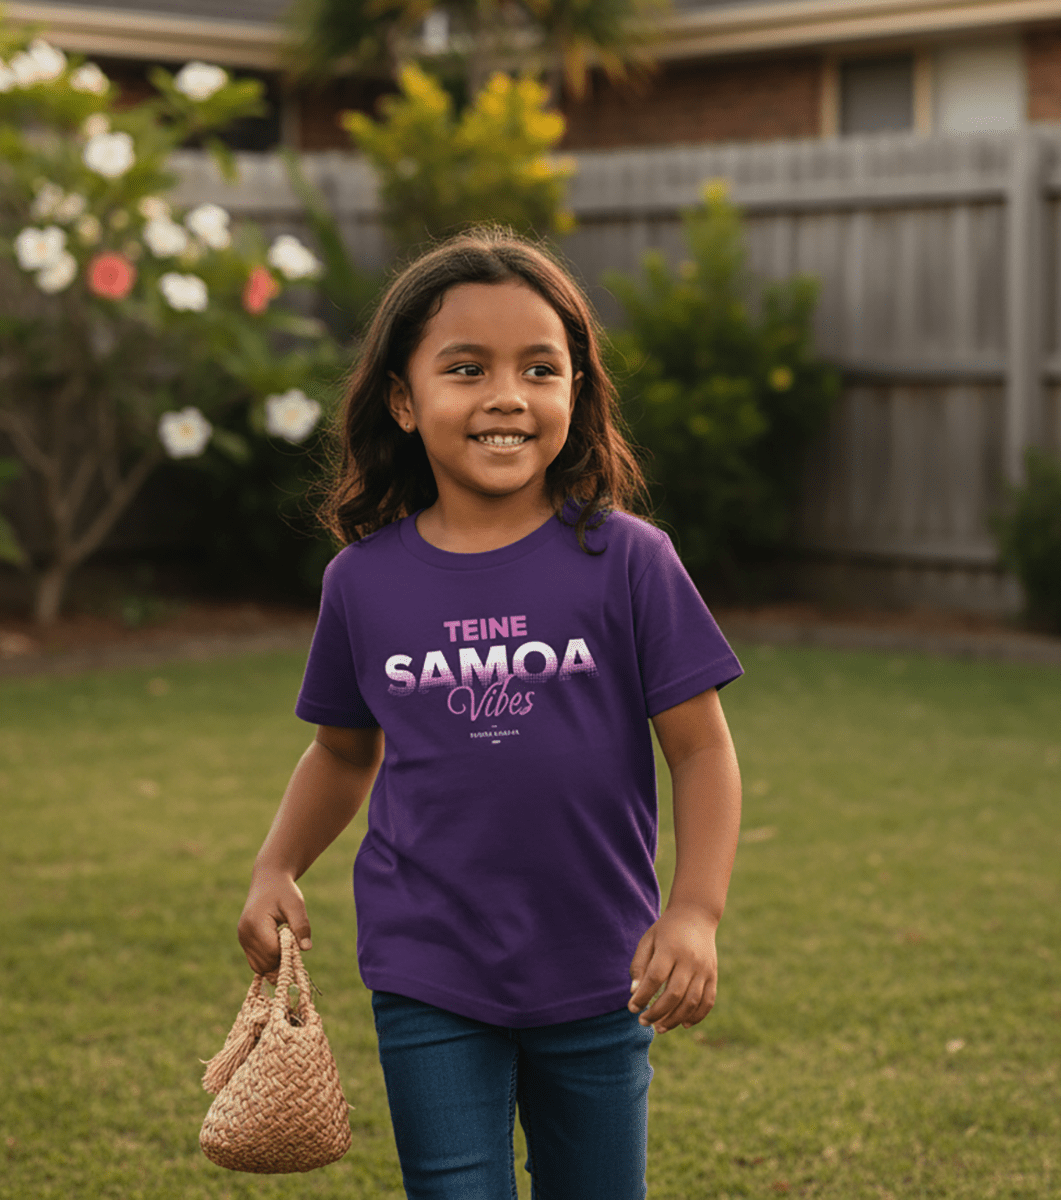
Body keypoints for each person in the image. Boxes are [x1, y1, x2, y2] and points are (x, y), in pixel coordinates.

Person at [237, 228, 743, 1199]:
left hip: (601, 963)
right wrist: (275, 866)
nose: (507, 395)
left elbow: (701, 751)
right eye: (466, 368)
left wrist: (694, 912)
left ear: (576, 391)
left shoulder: (631, 561)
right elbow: (342, 755)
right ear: (403, 397)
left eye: (540, 369)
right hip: (429, 965)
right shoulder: (363, 582)